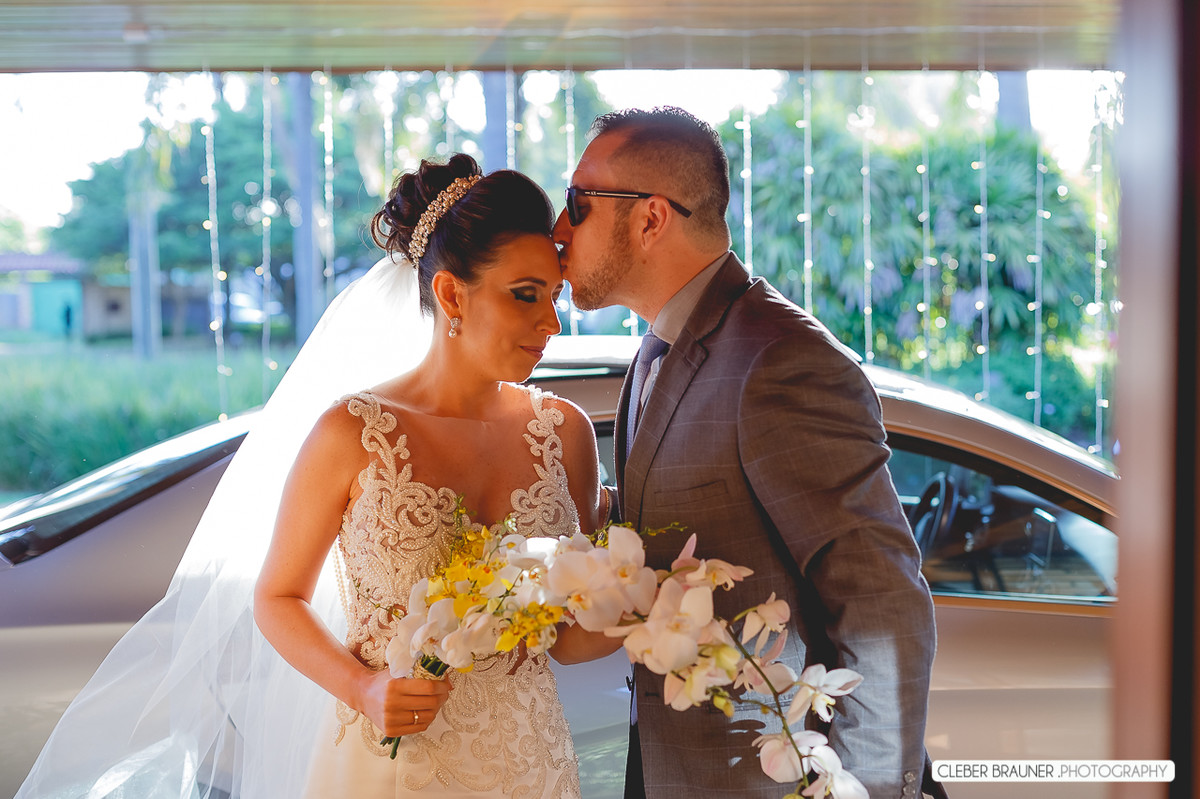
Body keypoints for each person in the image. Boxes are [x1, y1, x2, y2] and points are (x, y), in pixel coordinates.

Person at [16, 154, 607, 799]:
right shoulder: (352, 432)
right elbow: (276, 598)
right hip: (392, 768)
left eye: (553, 298)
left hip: (531, 762)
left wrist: (645, 595)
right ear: (450, 293)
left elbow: (569, 644)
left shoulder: (566, 433)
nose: (551, 323)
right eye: (526, 296)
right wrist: (363, 687)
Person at [553, 107, 939, 799]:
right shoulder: (654, 352)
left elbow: (882, 602)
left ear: (650, 218)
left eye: (578, 201)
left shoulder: (781, 358)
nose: (558, 229)